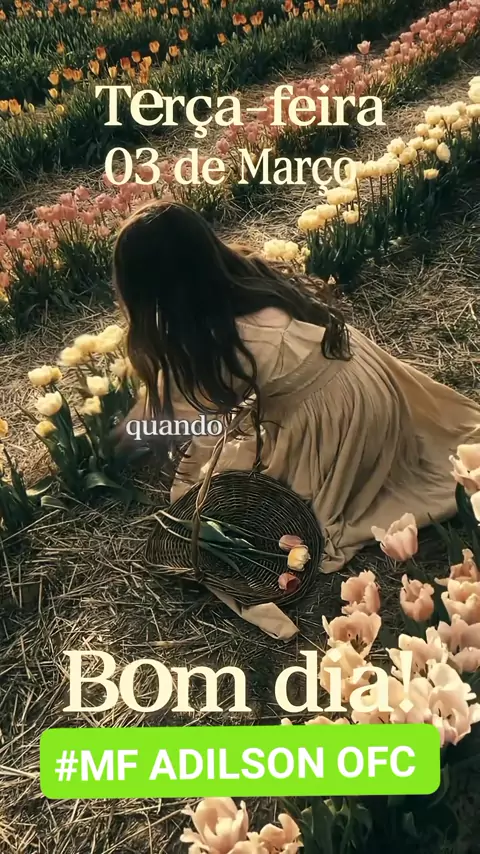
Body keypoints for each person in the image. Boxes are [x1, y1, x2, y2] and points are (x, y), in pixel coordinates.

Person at [113, 199, 480, 576]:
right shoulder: (250, 277)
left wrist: (118, 445)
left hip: (338, 417)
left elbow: (172, 420)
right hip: (368, 381)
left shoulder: (204, 337)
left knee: (227, 494)